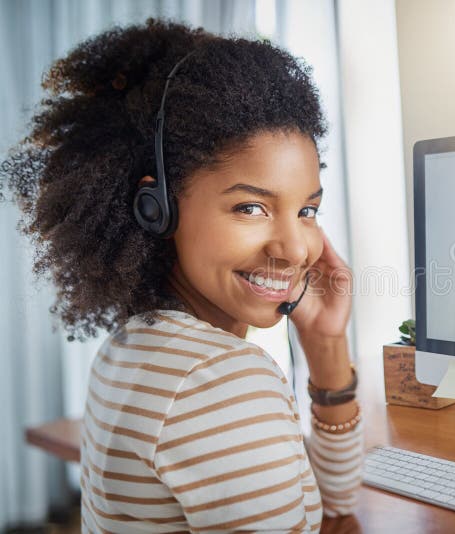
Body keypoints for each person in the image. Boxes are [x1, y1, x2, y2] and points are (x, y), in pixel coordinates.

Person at [1, 17, 362, 532]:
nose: (296, 248)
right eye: (251, 208)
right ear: (158, 209)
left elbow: (334, 499)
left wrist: (325, 341)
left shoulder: (135, 347)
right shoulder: (219, 384)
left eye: (306, 210)